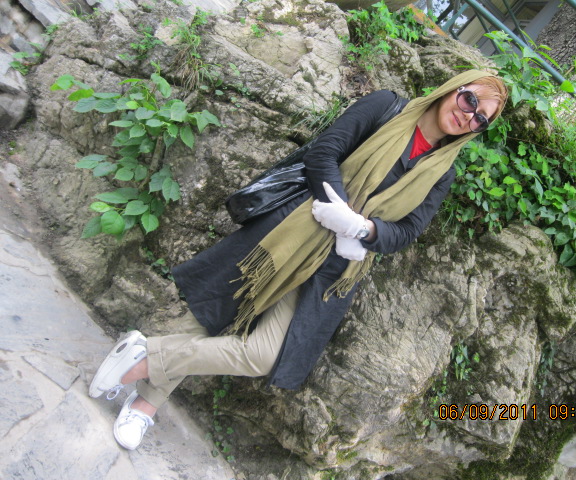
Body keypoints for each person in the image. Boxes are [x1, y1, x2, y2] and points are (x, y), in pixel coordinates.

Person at [89, 69, 508, 450]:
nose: (468, 116)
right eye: (469, 100)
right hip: (294, 228)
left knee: (263, 355)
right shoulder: (386, 107)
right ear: (453, 88)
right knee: (215, 310)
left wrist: (363, 230)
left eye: (481, 119)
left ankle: (144, 357)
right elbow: (324, 152)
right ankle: (145, 404)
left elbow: (409, 230)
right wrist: (339, 211)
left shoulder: (442, 171)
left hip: (337, 267)